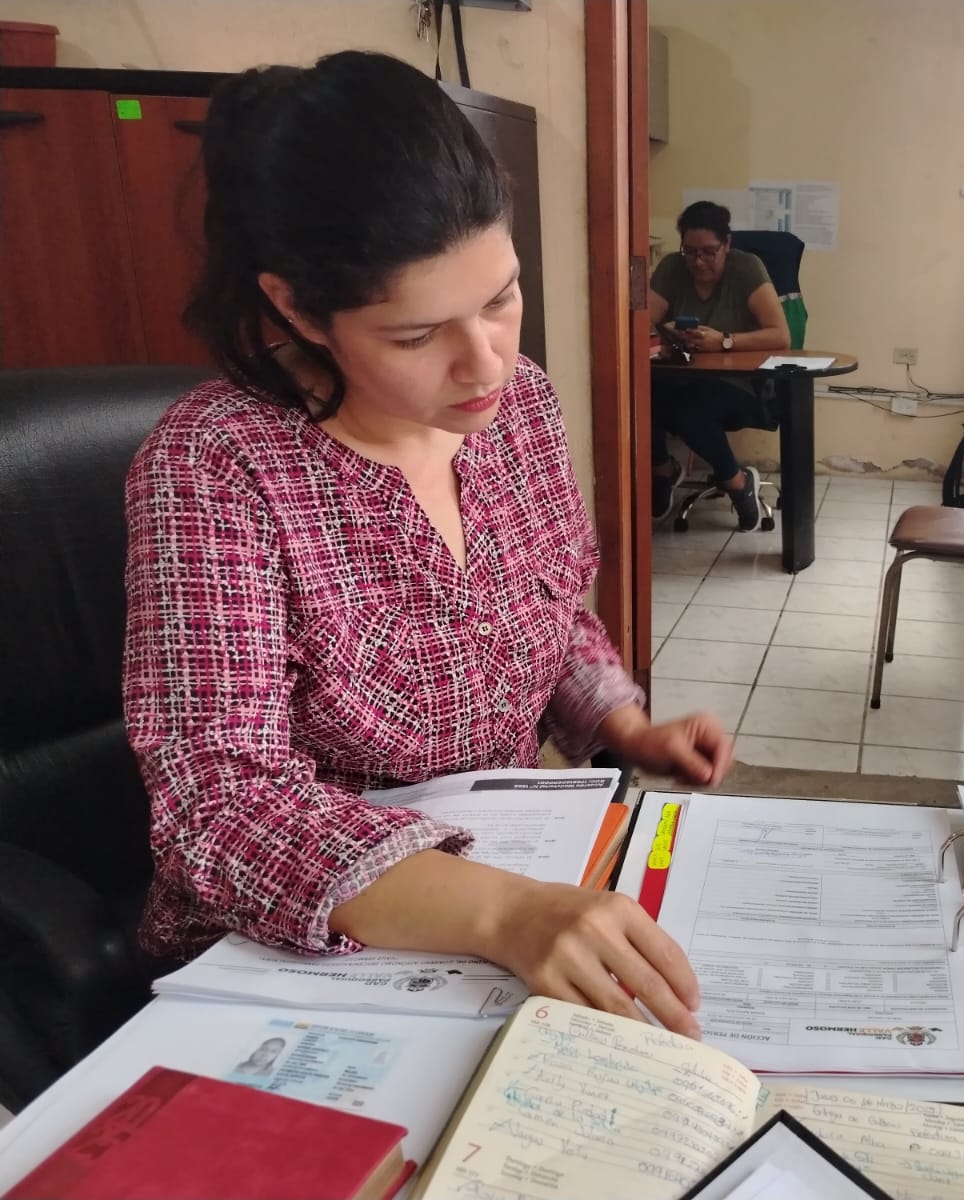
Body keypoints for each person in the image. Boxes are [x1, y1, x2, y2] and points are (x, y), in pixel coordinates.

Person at [124, 51, 729, 1039]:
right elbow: (218, 805)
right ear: (296, 307)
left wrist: (622, 722)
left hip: (515, 884)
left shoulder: (519, 407)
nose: (484, 364)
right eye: (415, 336)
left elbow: (546, 613)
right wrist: (505, 914)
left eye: (501, 299)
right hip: (311, 950)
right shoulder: (217, 465)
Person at [647, 201, 791, 528]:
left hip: (741, 385)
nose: (698, 261)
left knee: (689, 409)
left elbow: (780, 335)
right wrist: (666, 332)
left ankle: (737, 482)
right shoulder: (672, 268)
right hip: (685, 377)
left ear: (727, 244)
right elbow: (642, 322)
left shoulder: (746, 268)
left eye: (709, 252)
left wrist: (724, 341)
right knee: (640, 393)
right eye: (690, 251)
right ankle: (663, 470)